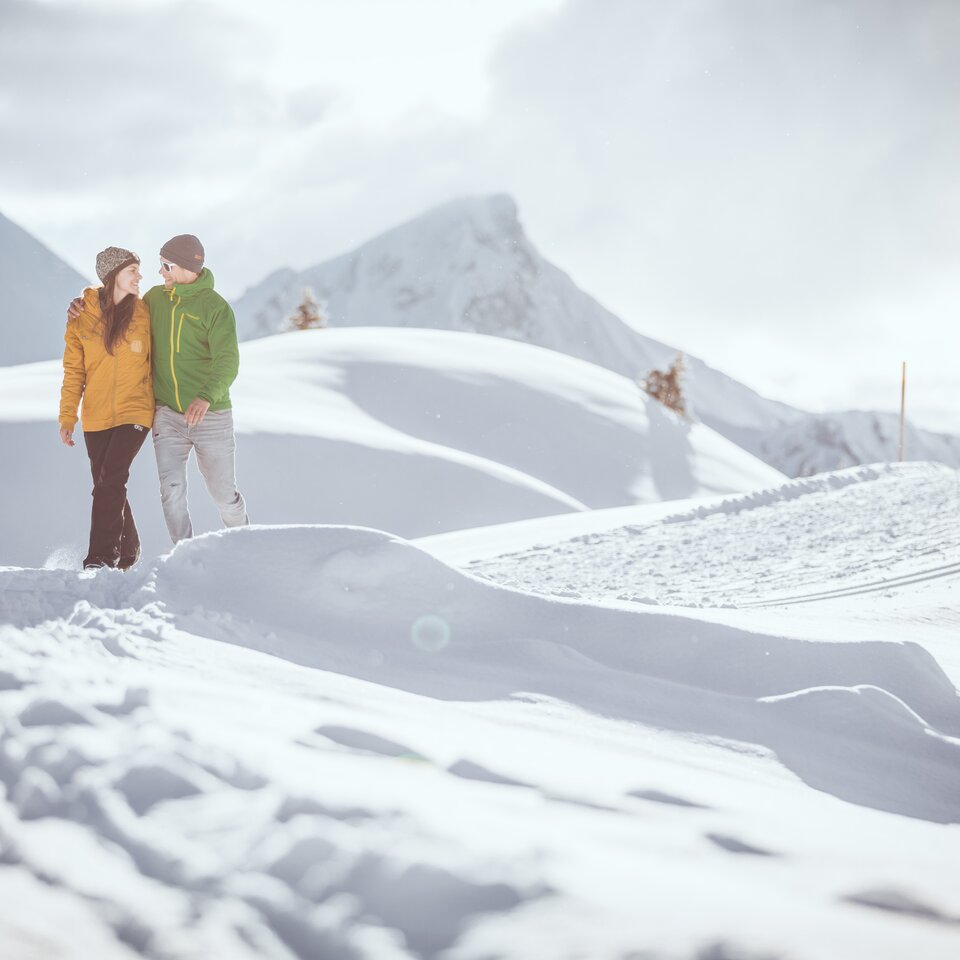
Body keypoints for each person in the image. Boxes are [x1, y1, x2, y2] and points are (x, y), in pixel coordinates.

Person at [68, 234, 248, 545]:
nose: (160, 272)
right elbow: (114, 297)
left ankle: (247, 543)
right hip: (167, 414)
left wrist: (206, 396)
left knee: (222, 494)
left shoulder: (215, 309)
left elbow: (228, 361)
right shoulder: (153, 300)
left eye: (166, 266)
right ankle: (185, 554)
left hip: (212, 415)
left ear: (185, 267)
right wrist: (82, 304)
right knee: (172, 491)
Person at [60, 247, 154, 570]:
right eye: (133, 272)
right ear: (114, 275)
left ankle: (101, 556)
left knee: (112, 478)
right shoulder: (82, 314)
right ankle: (129, 549)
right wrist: (67, 415)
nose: (139, 277)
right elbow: (74, 371)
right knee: (105, 484)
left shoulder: (146, 312)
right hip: (96, 418)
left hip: (136, 412)